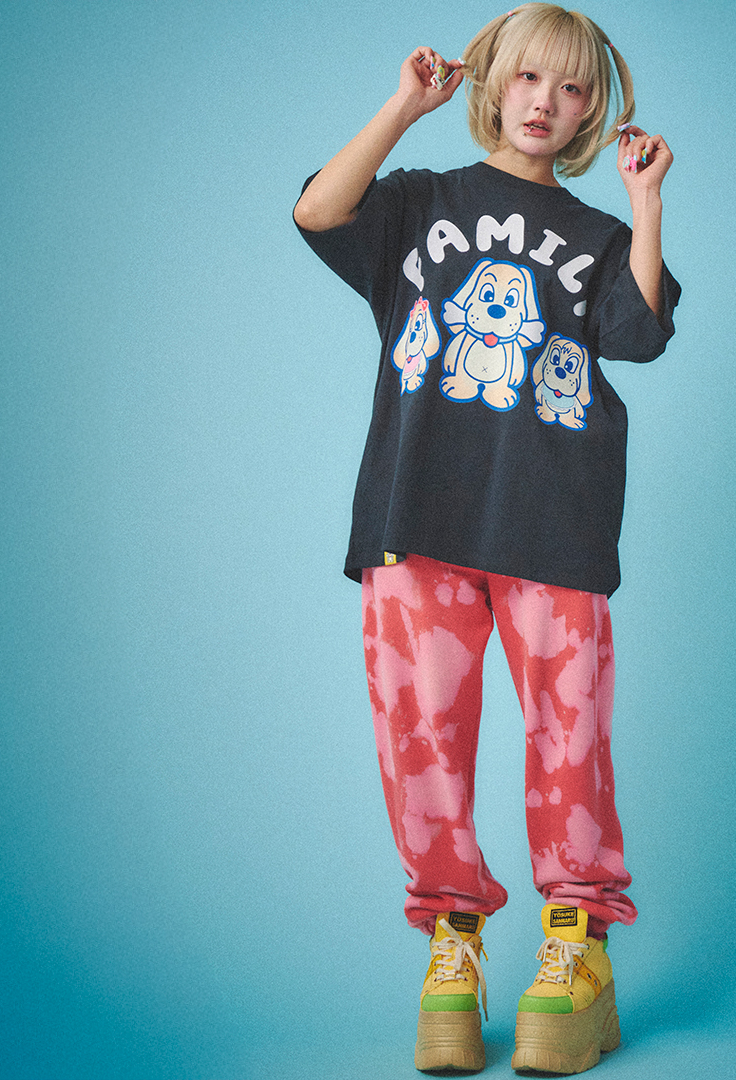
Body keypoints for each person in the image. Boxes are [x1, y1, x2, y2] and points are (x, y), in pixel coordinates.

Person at [294, 4, 679, 1073]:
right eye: (527, 78)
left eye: (570, 87)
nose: (544, 102)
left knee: (569, 736)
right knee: (419, 733)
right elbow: (318, 211)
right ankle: (451, 951)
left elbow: (640, 333)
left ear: (591, 110)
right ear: (492, 83)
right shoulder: (421, 202)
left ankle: (577, 945)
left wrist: (647, 204)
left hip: (553, 520)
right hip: (415, 514)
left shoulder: (600, 238)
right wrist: (402, 110)